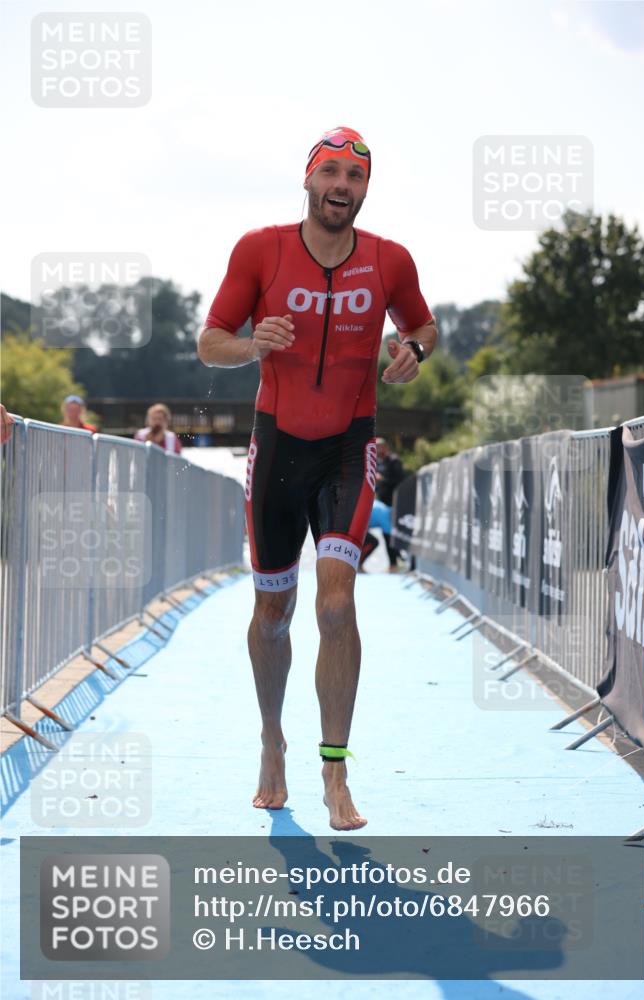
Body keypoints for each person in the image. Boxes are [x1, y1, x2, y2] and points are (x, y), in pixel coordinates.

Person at [198, 126, 437, 830]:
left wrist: (411, 354)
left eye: (354, 177)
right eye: (330, 172)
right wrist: (251, 344)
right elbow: (210, 343)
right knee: (272, 615)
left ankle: (334, 769)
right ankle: (273, 740)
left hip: (347, 448)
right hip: (276, 449)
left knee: (336, 605)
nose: (341, 186)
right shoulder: (259, 249)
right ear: (308, 180)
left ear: (365, 189)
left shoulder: (389, 260)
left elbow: (424, 328)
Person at [375, 438, 405, 572]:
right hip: (382, 505)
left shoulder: (394, 461)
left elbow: (399, 481)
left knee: (397, 533)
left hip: (395, 504)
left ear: (385, 447)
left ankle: (402, 560)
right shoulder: (377, 462)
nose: (377, 450)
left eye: (379, 447)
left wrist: (383, 479)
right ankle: (393, 563)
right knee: (386, 534)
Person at [359, 499, 393, 571]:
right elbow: (390, 542)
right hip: (357, 523)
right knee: (373, 542)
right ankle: (357, 564)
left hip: (356, 519)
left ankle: (357, 563)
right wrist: (393, 563)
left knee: (369, 541)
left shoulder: (384, 508)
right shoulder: (386, 517)